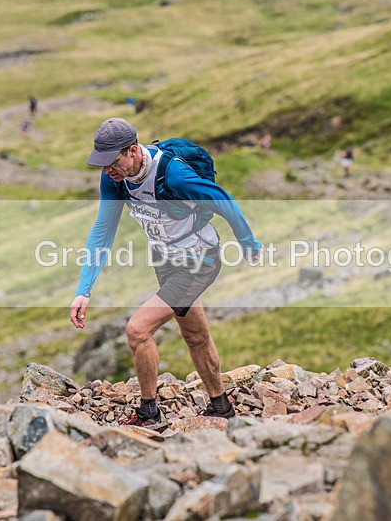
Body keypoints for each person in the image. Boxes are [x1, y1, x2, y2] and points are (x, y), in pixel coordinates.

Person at [70, 118, 263, 426]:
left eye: (113, 162)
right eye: (102, 164)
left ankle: (149, 412)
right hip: (166, 261)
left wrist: (248, 242)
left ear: (133, 151)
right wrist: (84, 289)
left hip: (199, 260)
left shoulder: (172, 173)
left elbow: (222, 199)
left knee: (138, 330)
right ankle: (221, 406)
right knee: (195, 335)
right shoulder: (115, 179)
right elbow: (103, 230)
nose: (108, 171)